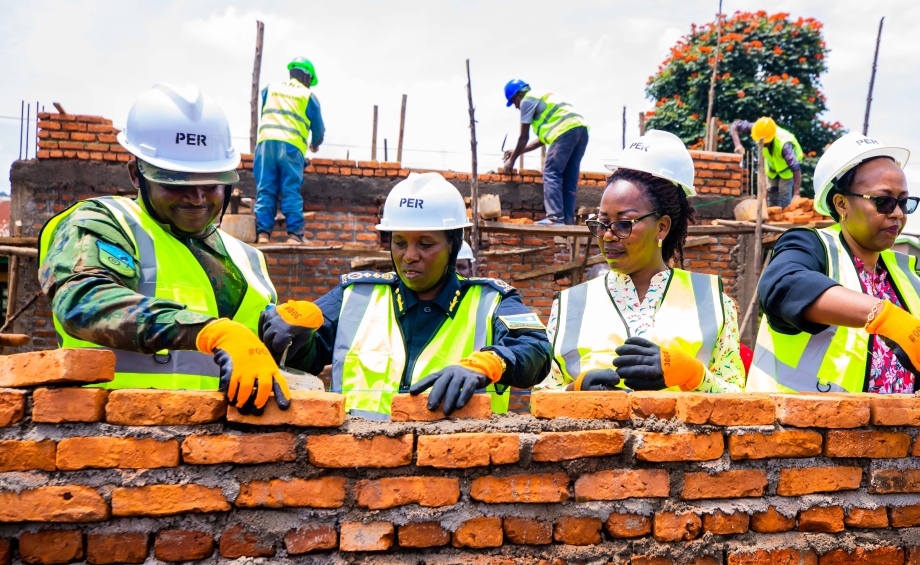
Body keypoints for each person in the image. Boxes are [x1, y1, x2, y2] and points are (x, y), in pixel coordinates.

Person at [38, 83, 288, 414]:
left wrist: (301, 336)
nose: (197, 198)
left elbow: (266, 356)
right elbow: (83, 301)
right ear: (135, 174)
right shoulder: (107, 223)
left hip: (221, 453)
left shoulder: (246, 258)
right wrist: (210, 331)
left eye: (211, 183)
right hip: (111, 444)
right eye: (176, 182)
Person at [261, 172, 551, 418]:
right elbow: (306, 355)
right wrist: (291, 335)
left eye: (425, 244)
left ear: (453, 244)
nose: (409, 256)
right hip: (354, 470)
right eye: (399, 242)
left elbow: (536, 350)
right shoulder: (355, 296)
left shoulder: (492, 301)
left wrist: (490, 363)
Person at [748, 133, 920, 394]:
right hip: (801, 429)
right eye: (884, 201)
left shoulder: (904, 275)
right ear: (841, 203)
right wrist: (883, 315)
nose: (898, 213)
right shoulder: (812, 246)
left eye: (904, 202)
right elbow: (783, 286)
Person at [538, 130, 745, 393]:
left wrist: (693, 375)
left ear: (661, 227)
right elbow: (541, 395)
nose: (608, 236)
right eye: (601, 223)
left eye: (624, 224)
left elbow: (740, 399)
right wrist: (574, 392)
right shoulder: (569, 306)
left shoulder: (713, 303)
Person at [254, 57, 325, 245]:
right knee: (290, 190)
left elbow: (265, 112)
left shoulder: (271, 88)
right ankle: (294, 235)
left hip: (265, 144)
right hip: (291, 148)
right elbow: (319, 129)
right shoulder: (307, 95)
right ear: (306, 77)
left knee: (266, 189)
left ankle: (263, 235)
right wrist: (315, 143)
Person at [500, 79, 588, 226]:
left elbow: (523, 137)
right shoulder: (541, 96)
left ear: (519, 95)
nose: (516, 106)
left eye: (513, 101)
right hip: (581, 131)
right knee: (569, 179)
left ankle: (555, 218)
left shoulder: (526, 101)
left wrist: (512, 160)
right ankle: (567, 221)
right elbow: (541, 140)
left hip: (565, 132)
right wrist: (516, 151)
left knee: (551, 171)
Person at [731, 117, 803, 208]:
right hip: (772, 167)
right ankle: (773, 218)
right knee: (771, 193)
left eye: (764, 142)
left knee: (784, 194)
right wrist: (737, 144)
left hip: (787, 169)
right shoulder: (758, 129)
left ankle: (784, 218)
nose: (760, 144)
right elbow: (734, 125)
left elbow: (795, 167)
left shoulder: (784, 145)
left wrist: (796, 194)